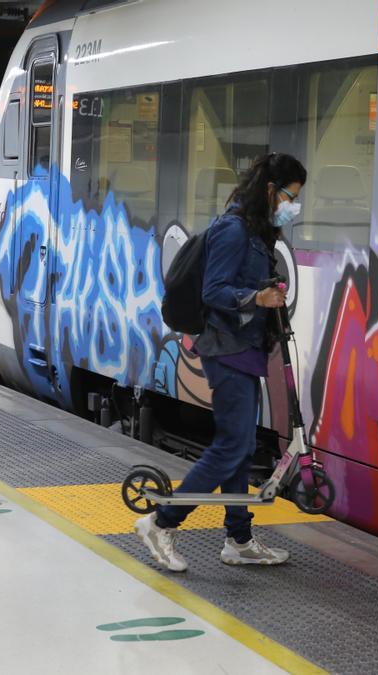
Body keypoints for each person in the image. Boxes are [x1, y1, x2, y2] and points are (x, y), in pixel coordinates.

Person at [134, 152, 304, 572]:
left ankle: (238, 538)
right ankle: (160, 521)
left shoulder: (256, 233)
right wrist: (256, 298)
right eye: (289, 196)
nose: (292, 205)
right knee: (231, 446)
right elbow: (214, 291)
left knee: (241, 447)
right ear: (270, 190)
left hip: (244, 350)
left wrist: (266, 292)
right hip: (226, 349)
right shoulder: (233, 230)